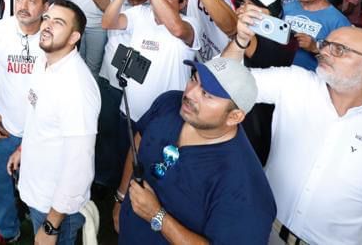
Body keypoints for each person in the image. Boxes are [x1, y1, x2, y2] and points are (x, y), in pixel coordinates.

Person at [223, 14, 362, 245]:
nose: (324, 52)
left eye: (339, 50)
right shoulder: (294, 82)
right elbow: (224, 83)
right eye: (325, 45)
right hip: (262, 229)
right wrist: (239, 41)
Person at [113, 57, 276, 244]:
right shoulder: (169, 103)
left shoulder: (246, 189)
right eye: (194, 79)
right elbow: (139, 141)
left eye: (206, 94)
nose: (190, 94)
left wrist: (157, 216)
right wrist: (121, 197)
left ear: (234, 116)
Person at [7, 1, 100, 245]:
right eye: (47, 18)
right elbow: (39, 117)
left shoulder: (77, 88)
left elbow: (79, 165)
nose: (47, 25)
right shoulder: (44, 61)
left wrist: (51, 226)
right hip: (37, 190)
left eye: (58, 23)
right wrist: (23, 149)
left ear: (74, 37)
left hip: (56, 208)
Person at [0, 0, 49, 245]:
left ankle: (43, 230)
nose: (23, 6)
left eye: (32, 1)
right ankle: (7, 230)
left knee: (41, 186)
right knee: (3, 182)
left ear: (45, 6)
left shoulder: (53, 34)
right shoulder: (1, 29)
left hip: (41, 130)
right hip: (5, 125)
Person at [282, 0, 352, 70]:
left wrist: (315, 47)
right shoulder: (288, 7)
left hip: (312, 76)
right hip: (279, 69)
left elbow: (346, 58)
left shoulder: (338, 20)